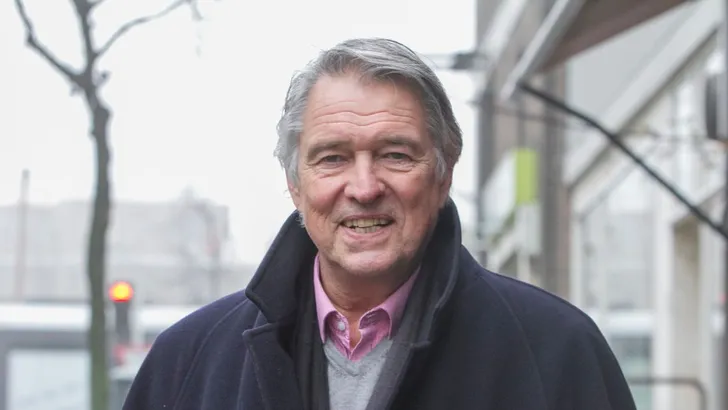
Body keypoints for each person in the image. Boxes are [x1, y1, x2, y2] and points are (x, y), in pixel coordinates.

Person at [123, 38, 637, 410]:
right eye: (332, 158)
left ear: (443, 175)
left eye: (395, 155)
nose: (365, 187)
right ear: (295, 184)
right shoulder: (188, 361)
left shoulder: (557, 352)